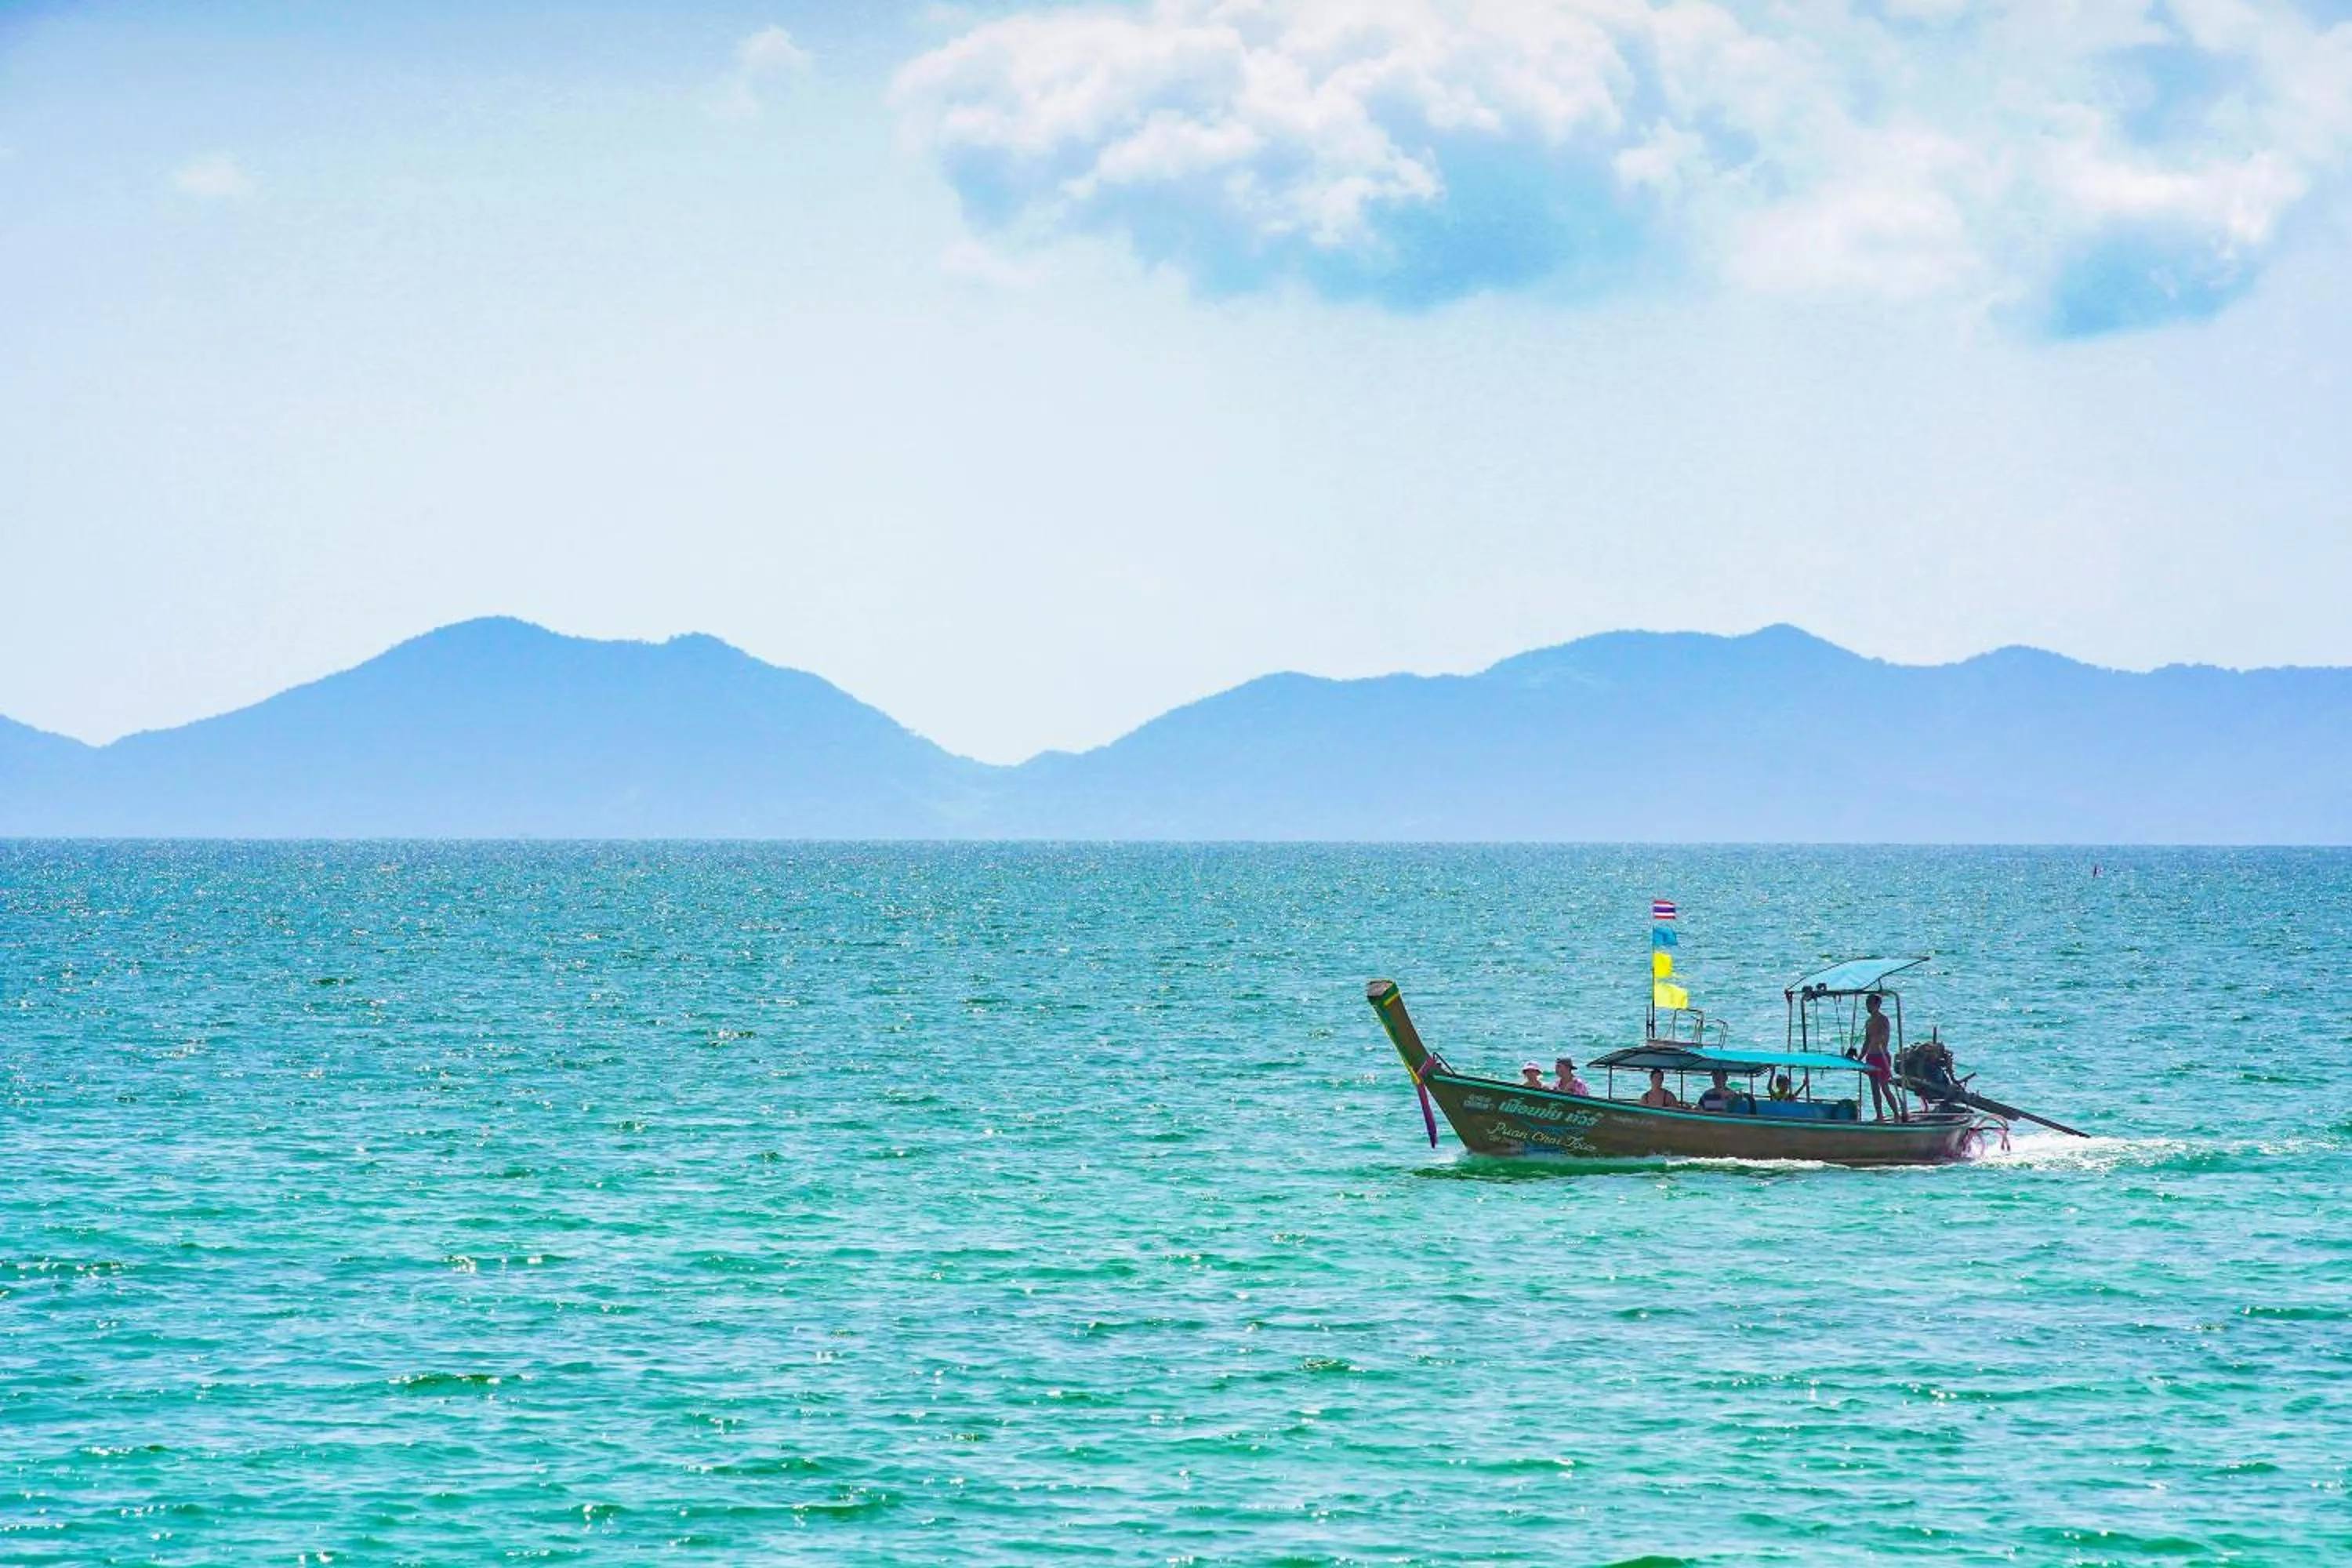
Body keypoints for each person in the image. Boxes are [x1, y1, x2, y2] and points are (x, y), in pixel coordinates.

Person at [1860, 994, 1898, 1120]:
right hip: (1871, 1057)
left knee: (1884, 1087)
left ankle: (1897, 1115)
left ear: (1877, 1005)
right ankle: (1879, 1115)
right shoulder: (1868, 1022)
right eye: (1867, 1003)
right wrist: (1860, 1056)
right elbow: (1866, 1041)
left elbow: (1885, 1036)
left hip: (1882, 1056)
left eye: (1870, 1003)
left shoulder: (1883, 1020)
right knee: (1874, 1089)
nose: (1868, 1006)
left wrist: (1879, 1039)